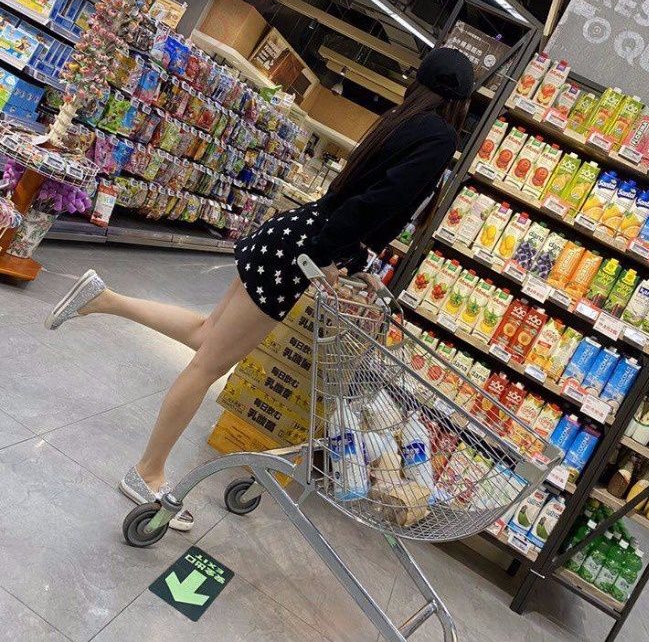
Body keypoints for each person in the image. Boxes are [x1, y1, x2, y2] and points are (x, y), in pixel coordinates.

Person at [44, 47, 475, 530]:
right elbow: (379, 202)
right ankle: (147, 473)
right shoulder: (440, 137)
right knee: (208, 364)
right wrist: (331, 255)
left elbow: (355, 195)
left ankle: (103, 299)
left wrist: (351, 258)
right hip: (303, 249)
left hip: (293, 231)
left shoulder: (401, 120)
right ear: (462, 101)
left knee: (207, 333)